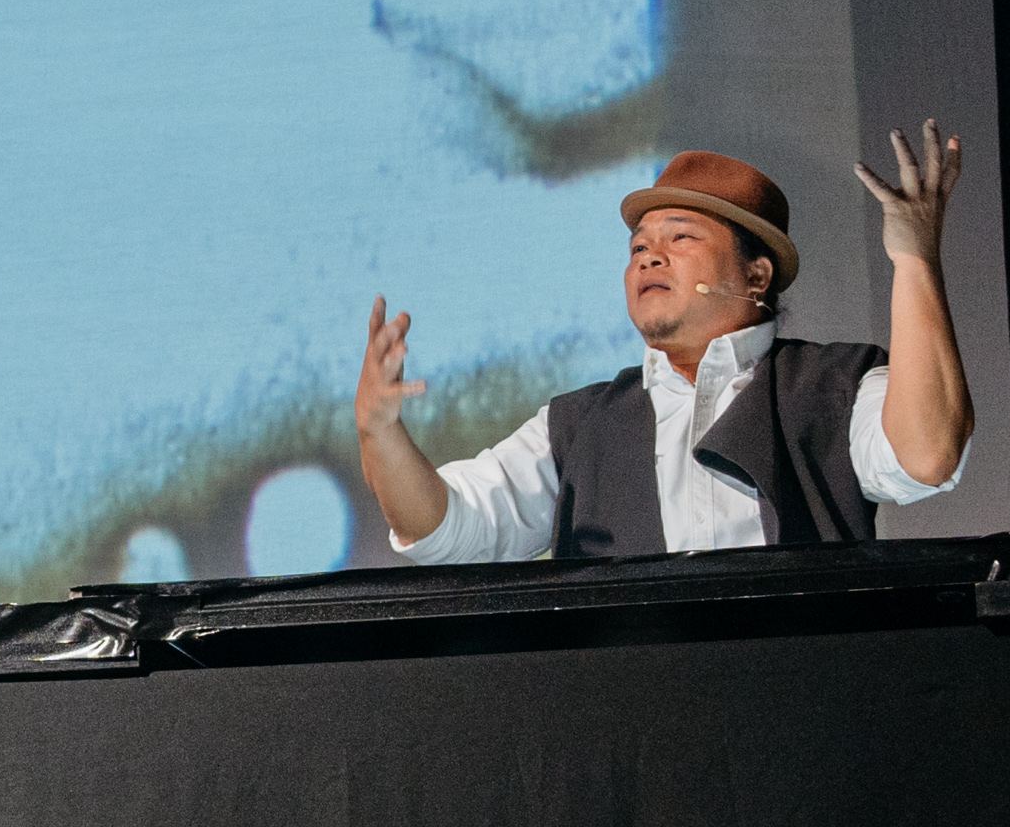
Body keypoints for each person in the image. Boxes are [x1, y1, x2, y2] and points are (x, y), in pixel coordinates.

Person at [355, 129, 971, 560]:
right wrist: (380, 435)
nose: (650, 254)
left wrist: (915, 260)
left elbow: (926, 455)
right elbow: (450, 524)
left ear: (756, 274)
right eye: (638, 247)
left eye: (681, 238)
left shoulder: (835, 386)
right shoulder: (580, 425)